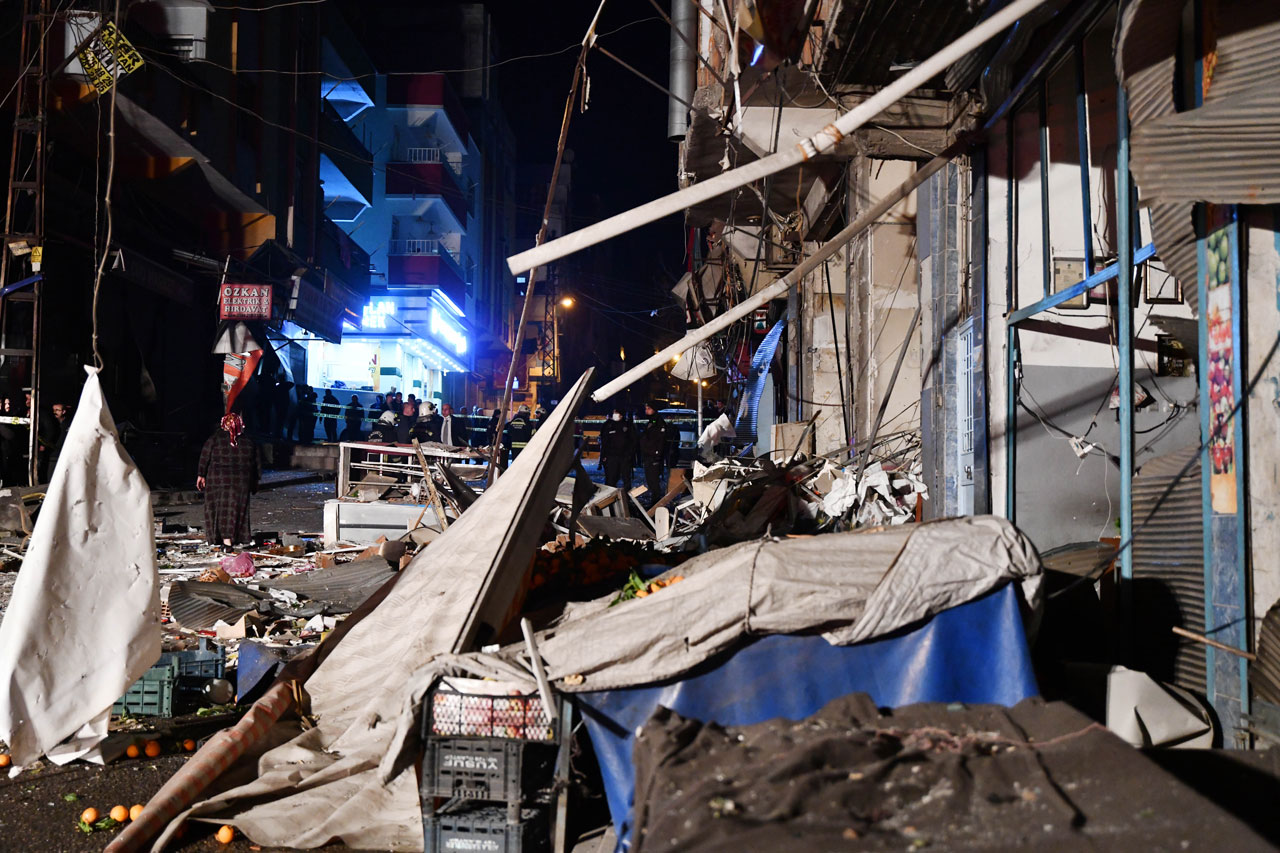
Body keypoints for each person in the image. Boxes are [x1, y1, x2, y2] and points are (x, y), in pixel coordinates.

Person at [197, 412, 260, 550]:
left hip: (217, 482)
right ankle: (234, 538)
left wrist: (201, 475)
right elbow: (256, 464)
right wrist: (255, 481)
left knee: (219, 510)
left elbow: (204, 457)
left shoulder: (214, 439)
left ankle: (225, 541)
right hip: (241, 483)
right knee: (236, 511)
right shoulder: (248, 442)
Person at [599, 406, 637, 492]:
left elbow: (633, 441)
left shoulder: (627, 425)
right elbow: (604, 442)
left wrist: (630, 455)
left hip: (624, 457)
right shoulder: (608, 425)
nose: (615, 414)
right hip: (611, 457)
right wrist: (604, 456)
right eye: (614, 413)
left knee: (626, 480)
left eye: (616, 413)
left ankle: (626, 499)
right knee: (611, 479)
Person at [639, 402, 670, 507]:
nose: (646, 410)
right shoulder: (651, 421)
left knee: (654, 480)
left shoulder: (658, 422)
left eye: (648, 408)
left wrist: (657, 455)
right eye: (646, 408)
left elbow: (660, 440)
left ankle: (656, 501)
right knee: (650, 479)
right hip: (648, 455)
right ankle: (654, 500)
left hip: (654, 457)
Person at [502, 404, 535, 469]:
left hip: (513, 447)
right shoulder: (527, 423)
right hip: (525, 448)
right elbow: (532, 433)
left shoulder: (512, 422)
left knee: (515, 464)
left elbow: (506, 432)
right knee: (523, 465)